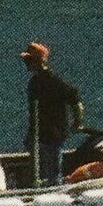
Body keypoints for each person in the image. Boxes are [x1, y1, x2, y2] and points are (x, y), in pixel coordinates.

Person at [20, 40, 83, 186]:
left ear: (37, 62)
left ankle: (54, 190)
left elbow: (75, 100)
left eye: (29, 60)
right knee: (41, 167)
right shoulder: (35, 82)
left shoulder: (53, 82)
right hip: (39, 133)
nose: (26, 64)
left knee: (52, 171)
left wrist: (77, 121)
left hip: (52, 134)